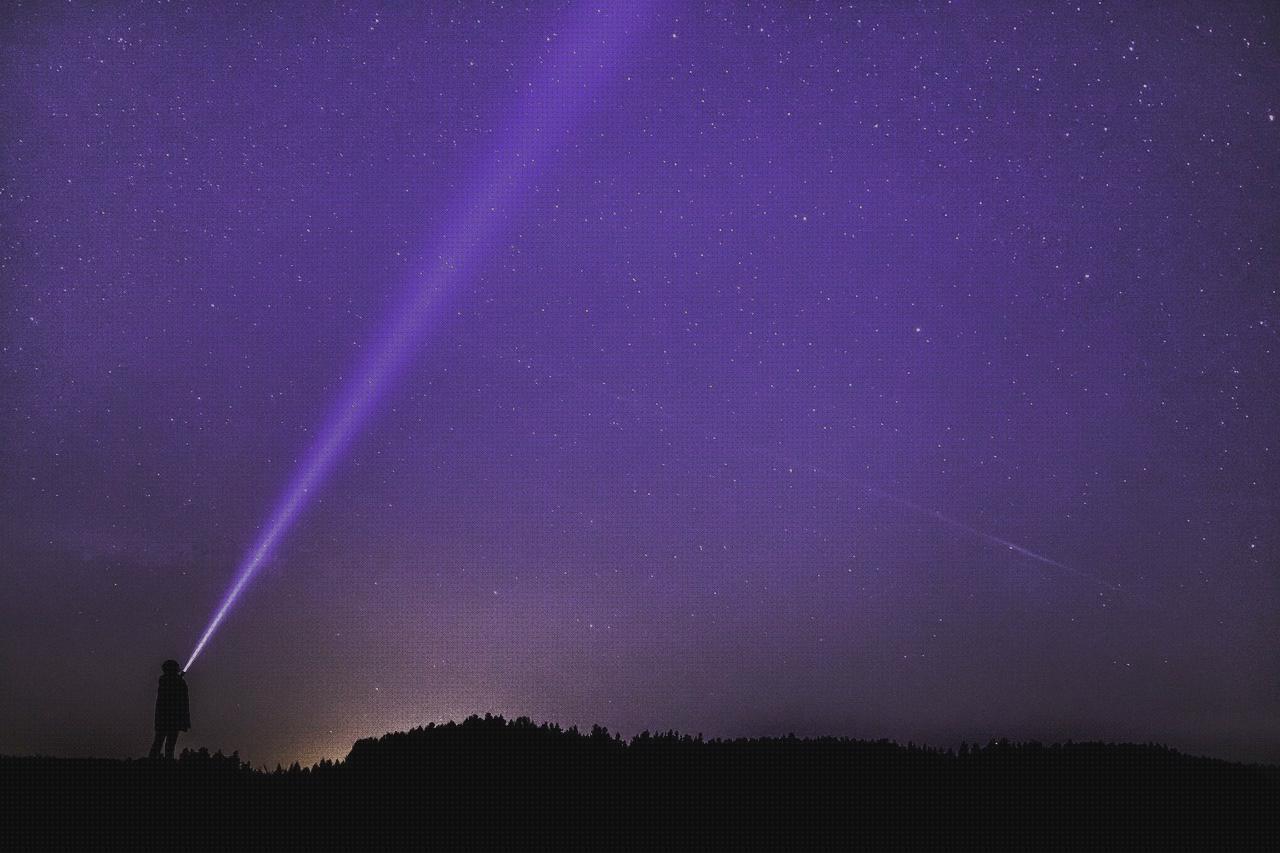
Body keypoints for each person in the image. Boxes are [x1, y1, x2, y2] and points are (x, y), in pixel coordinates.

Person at [148, 659, 190, 759]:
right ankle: (165, 763)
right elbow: (180, 697)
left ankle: (155, 761)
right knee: (165, 742)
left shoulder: (165, 680)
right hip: (172, 717)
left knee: (161, 741)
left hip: (166, 717)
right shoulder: (170, 681)